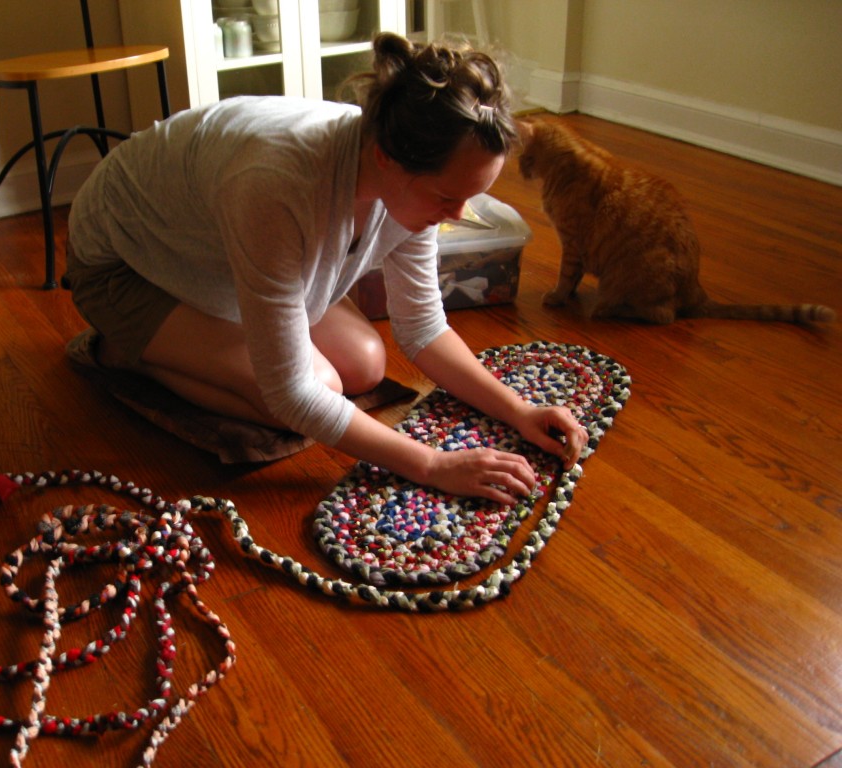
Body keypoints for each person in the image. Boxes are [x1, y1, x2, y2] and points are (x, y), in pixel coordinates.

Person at [64, 32, 587, 505]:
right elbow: (291, 393)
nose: (458, 216)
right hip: (123, 266)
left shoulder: (410, 168)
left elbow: (423, 326)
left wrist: (517, 410)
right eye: (449, 196)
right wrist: (432, 464)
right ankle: (123, 350)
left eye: (472, 196)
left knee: (363, 363)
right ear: (387, 157)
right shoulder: (277, 184)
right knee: (308, 390)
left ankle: (188, 342)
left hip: (217, 255)